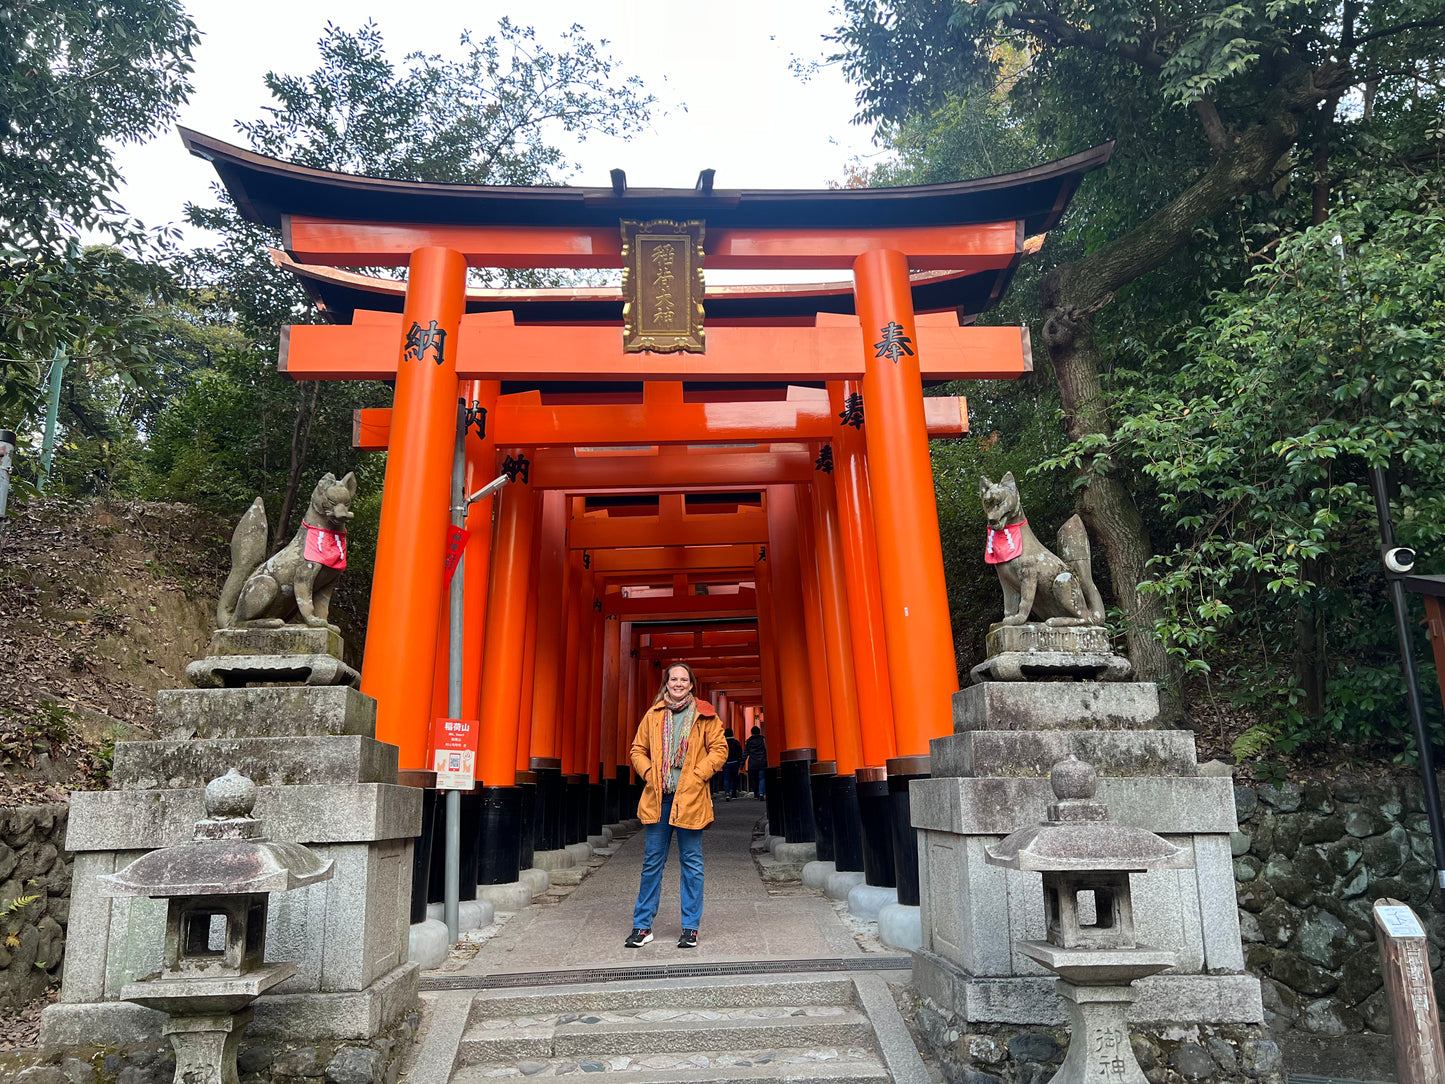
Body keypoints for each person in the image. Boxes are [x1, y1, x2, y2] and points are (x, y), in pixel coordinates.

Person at [625, 662, 727, 949]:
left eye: (684, 679)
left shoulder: (704, 715)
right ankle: (642, 927)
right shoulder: (653, 715)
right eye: (674, 679)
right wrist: (647, 773)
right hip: (660, 797)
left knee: (691, 864)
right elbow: (637, 749)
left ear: (691, 684)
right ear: (666, 683)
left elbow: (720, 749)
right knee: (651, 863)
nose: (679, 683)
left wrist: (697, 774)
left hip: (690, 797)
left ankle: (690, 928)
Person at [744, 725, 768, 801]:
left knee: (754, 779)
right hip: (762, 762)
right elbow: (766, 750)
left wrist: (742, 764)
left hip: (752, 762)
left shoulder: (749, 741)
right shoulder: (763, 739)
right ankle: (761, 793)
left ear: (751, 733)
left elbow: (746, 752)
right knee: (762, 778)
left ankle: (756, 794)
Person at [722, 728, 745, 800]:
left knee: (726, 779)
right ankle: (734, 794)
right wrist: (740, 761)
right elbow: (740, 752)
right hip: (734, 762)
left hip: (726, 762)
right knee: (734, 778)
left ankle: (727, 793)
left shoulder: (723, 743)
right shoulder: (736, 742)